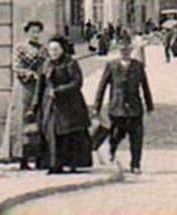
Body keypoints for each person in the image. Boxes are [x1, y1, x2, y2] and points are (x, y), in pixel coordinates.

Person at [26, 36, 94, 174]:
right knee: (51, 134)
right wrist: (34, 107)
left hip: (69, 106)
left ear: (62, 49)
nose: (53, 52)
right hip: (49, 105)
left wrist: (59, 91)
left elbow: (77, 83)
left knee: (68, 135)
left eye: (56, 49)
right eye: (51, 49)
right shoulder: (46, 64)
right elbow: (40, 86)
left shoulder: (70, 63)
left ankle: (70, 164)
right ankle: (53, 165)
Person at [93, 39, 154, 173]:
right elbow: (101, 87)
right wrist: (96, 107)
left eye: (127, 50)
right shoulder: (111, 65)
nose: (125, 53)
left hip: (135, 108)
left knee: (137, 138)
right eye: (122, 50)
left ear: (131, 50)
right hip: (116, 107)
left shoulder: (138, 66)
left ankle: (135, 164)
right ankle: (112, 152)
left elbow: (145, 86)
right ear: (118, 51)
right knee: (115, 135)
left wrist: (149, 105)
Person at [12, 20, 46, 170]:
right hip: (24, 88)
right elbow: (16, 67)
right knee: (23, 120)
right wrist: (30, 74)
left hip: (40, 88)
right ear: (27, 32)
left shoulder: (44, 50)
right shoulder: (20, 48)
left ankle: (39, 158)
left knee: (40, 120)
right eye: (33, 31)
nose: (36, 34)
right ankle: (23, 159)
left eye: (38, 31)